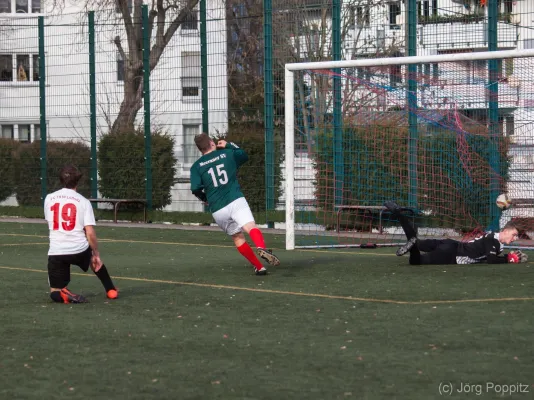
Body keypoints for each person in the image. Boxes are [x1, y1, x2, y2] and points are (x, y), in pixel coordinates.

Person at [190, 133, 280, 275]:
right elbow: (243, 155)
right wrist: (229, 144)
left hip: (217, 208)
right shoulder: (227, 154)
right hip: (235, 199)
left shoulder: (196, 167)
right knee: (250, 227)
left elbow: (195, 188)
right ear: (212, 143)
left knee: (237, 237)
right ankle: (261, 248)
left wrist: (204, 198)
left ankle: (259, 267)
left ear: (200, 149)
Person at [44, 165, 119, 303]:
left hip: (57, 252)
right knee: (94, 260)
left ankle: (63, 294)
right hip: (79, 249)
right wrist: (95, 253)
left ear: (61, 180)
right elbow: (90, 233)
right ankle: (111, 290)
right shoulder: (83, 202)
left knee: (54, 292)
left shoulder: (49, 198)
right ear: (78, 181)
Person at [383, 200, 528, 265]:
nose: (514, 238)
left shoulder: (496, 243)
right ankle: (412, 243)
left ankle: (398, 213)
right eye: (514, 234)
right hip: (452, 254)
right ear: (504, 231)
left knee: (416, 241)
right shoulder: (493, 240)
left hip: (450, 244)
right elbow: (491, 260)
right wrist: (508, 259)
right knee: (416, 261)